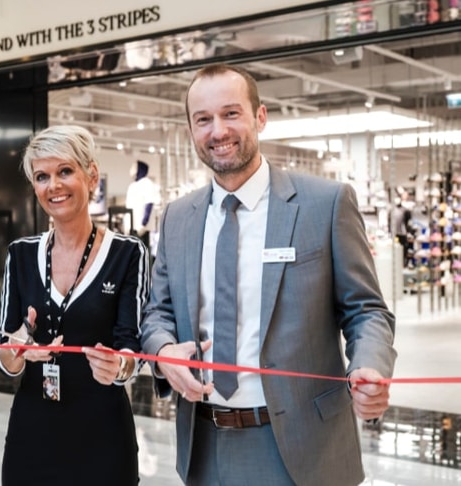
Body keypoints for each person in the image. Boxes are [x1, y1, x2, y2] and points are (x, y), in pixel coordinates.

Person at [140, 63, 397, 486]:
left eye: (231, 113)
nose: (217, 130)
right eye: (203, 119)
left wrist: (368, 366)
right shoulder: (178, 218)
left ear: (260, 117)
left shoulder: (324, 204)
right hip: (204, 446)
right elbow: (157, 313)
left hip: (303, 448)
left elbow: (366, 310)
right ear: (190, 130)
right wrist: (164, 351)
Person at [0, 125, 150, 486]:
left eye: (65, 171)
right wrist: (17, 346)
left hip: (103, 433)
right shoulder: (20, 254)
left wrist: (119, 365)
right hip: (32, 432)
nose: (54, 185)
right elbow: (5, 355)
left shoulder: (127, 254)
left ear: (91, 175)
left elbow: (133, 346)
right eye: (42, 176)